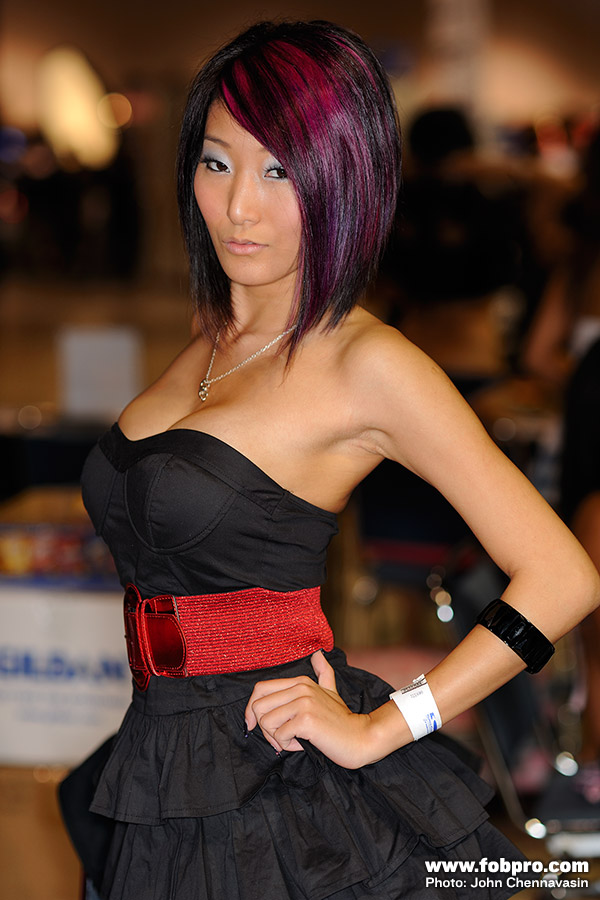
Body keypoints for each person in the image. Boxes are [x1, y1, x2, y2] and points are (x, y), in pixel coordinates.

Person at [61, 20, 600, 900]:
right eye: (217, 162)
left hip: (281, 792)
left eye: (280, 171)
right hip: (164, 758)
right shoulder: (211, 332)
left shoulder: (367, 363)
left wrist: (387, 725)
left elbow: (564, 575)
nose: (240, 206)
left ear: (343, 178)